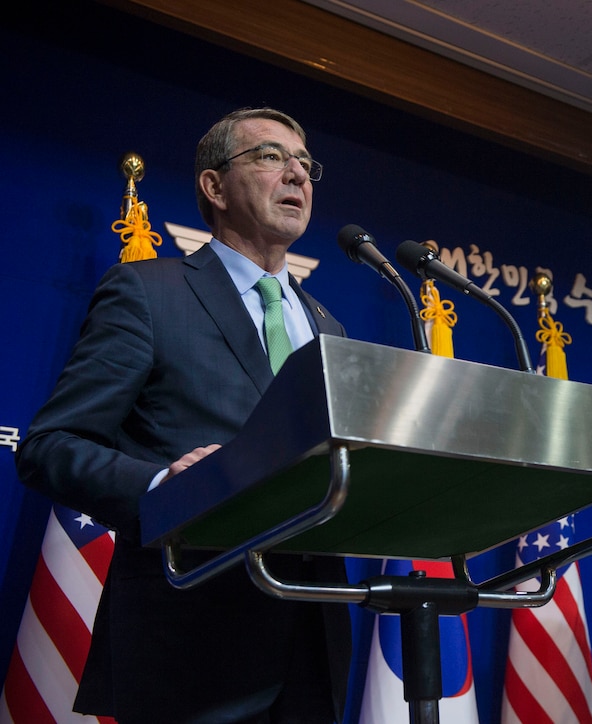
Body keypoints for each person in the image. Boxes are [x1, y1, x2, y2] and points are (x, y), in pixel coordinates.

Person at [17, 107, 351, 723]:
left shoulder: (328, 327)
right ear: (214, 187)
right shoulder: (148, 293)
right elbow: (50, 446)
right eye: (272, 157)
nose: (298, 176)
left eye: (305, 164)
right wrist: (164, 488)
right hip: (191, 640)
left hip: (311, 639)